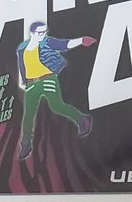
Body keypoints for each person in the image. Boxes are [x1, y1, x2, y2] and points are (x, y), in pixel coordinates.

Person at [15, 21, 96, 161]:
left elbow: (64, 44)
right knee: (28, 115)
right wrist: (22, 81)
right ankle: (26, 145)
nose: (43, 35)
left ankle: (82, 119)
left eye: (44, 32)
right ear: (32, 33)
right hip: (32, 84)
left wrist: (81, 40)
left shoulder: (47, 42)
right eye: (40, 32)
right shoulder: (22, 48)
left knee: (57, 106)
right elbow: (22, 65)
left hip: (47, 78)